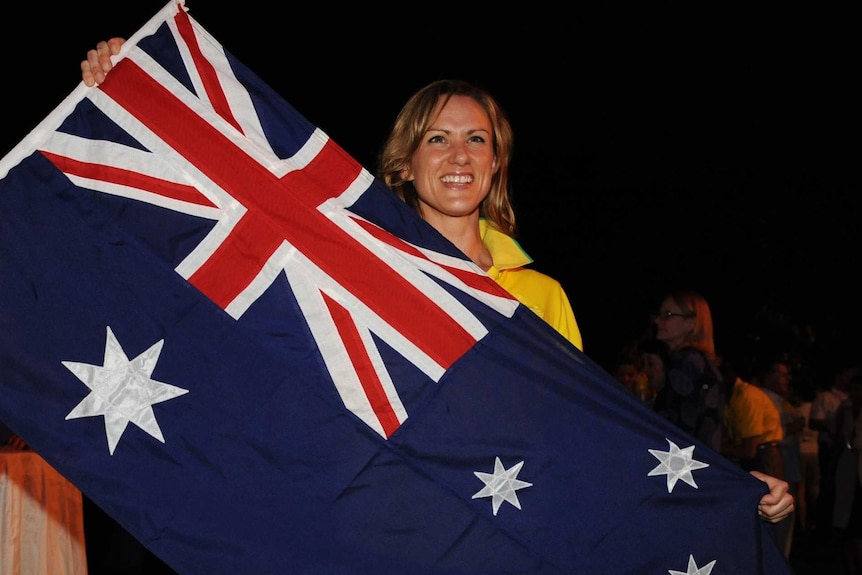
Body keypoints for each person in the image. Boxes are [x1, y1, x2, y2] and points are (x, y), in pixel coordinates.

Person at [78, 39, 793, 529]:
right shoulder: (359, 267)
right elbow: (221, 218)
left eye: (477, 138)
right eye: (438, 138)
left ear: (497, 164)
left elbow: (592, 437)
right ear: (406, 162)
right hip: (381, 530)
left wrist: (724, 490)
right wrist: (133, 93)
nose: (458, 154)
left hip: (503, 535)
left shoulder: (541, 295)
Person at [651, 290, 725, 453]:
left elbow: (671, 425)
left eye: (667, 315)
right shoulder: (700, 363)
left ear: (691, 323)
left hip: (681, 466)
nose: (657, 321)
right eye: (659, 314)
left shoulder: (686, 363)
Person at [758, 357, 804, 559]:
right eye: (782, 374)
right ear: (768, 376)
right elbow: (764, 436)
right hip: (775, 468)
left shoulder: (782, 401)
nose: (787, 379)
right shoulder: (763, 400)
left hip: (790, 466)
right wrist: (790, 428)